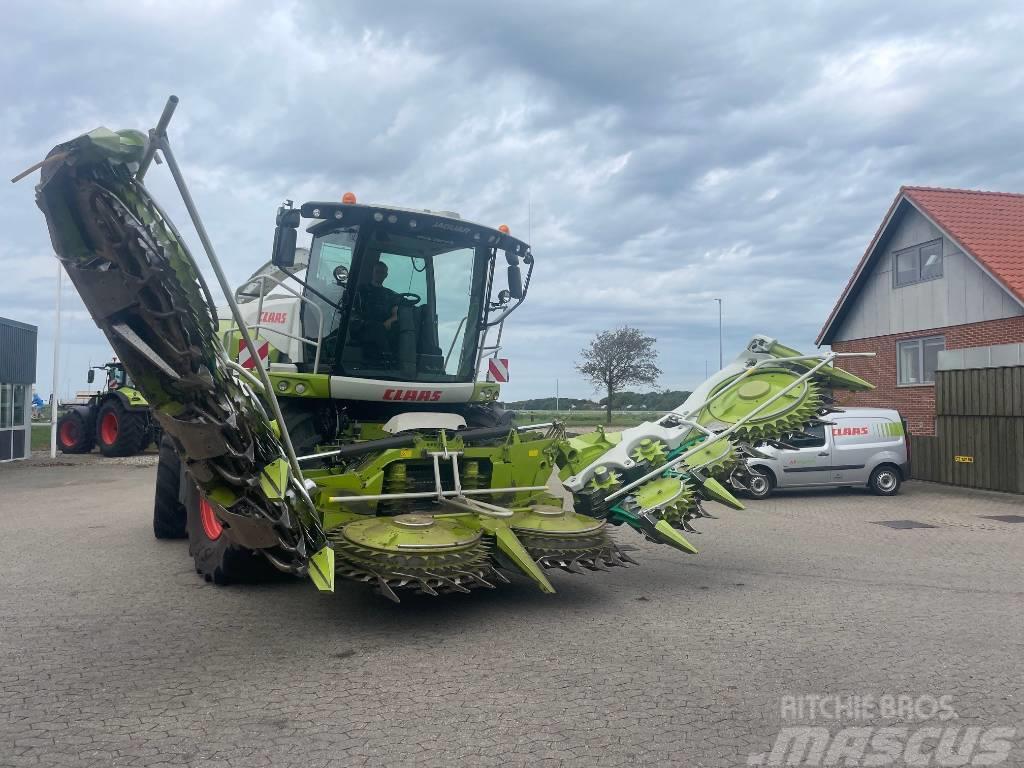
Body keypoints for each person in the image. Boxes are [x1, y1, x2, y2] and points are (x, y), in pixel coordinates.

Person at [352, 261, 400, 363]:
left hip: (384, 328)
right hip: (362, 327)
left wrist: (388, 322)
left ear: (386, 275)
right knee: (376, 328)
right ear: (372, 272)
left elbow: (396, 315)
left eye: (382, 273)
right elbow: (353, 311)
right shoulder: (361, 290)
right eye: (377, 272)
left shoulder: (390, 294)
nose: (379, 274)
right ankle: (388, 360)